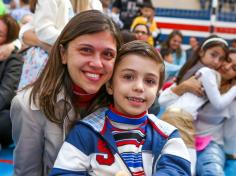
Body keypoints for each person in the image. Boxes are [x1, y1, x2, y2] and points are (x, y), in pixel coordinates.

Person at [49, 40, 191, 176]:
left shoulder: (167, 135)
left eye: (149, 81)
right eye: (128, 77)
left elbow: (177, 170)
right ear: (110, 85)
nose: (139, 87)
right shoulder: (86, 132)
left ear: (158, 90)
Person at [10, 10, 122, 176]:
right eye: (86, 50)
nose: (97, 63)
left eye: (108, 54)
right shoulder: (29, 106)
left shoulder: (122, 103)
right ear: (63, 54)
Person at [159, 37, 236, 175]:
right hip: (178, 127)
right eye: (228, 60)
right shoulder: (200, 75)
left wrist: (229, 152)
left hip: (209, 143)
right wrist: (182, 87)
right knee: (175, 166)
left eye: (234, 68)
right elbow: (163, 100)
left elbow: (231, 134)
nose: (225, 66)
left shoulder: (231, 98)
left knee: (210, 169)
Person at [17, 0, 74, 89]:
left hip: (55, 54)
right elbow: (44, 31)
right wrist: (71, 42)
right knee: (33, 97)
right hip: (45, 58)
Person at [0, 14, 22, 149]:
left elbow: (5, 95)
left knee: (6, 119)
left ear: (8, 39)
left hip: (2, 111)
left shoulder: (14, 60)